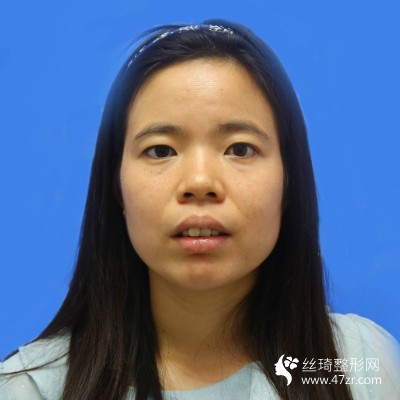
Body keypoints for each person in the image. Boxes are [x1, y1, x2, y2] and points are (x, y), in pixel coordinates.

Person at [1, 19, 399, 400]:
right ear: (116, 187)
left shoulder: (357, 363)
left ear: (289, 182)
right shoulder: (29, 390)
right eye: (161, 150)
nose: (199, 182)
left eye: (240, 148)